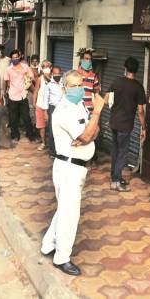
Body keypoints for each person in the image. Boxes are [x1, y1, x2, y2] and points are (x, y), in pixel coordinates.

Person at [40, 70, 105, 276]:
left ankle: (47, 244)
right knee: (70, 214)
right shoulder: (63, 111)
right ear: (64, 88)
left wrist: (88, 134)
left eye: (80, 85)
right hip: (68, 167)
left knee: (64, 209)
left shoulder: (79, 106)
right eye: (73, 86)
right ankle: (62, 258)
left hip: (77, 167)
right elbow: (87, 135)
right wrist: (96, 114)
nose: (78, 89)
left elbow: (94, 132)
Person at [106, 57, 146, 192]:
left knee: (115, 151)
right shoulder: (138, 87)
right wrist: (144, 127)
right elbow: (140, 111)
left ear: (125, 67)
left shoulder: (116, 82)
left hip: (113, 122)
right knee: (122, 153)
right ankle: (116, 182)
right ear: (136, 70)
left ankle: (115, 177)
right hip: (125, 125)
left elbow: (107, 100)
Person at [4, 49, 36, 141]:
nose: (15, 59)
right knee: (13, 118)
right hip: (12, 96)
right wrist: (6, 91)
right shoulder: (8, 69)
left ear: (19, 57)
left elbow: (31, 77)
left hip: (23, 95)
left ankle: (31, 135)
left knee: (26, 117)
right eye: (13, 58)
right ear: (11, 58)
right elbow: (7, 81)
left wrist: (30, 82)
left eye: (16, 57)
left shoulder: (25, 67)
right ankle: (15, 136)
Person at [33, 60, 53, 151]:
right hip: (40, 105)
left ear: (51, 67)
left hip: (50, 106)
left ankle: (52, 144)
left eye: (47, 66)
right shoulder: (39, 79)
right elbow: (36, 91)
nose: (46, 68)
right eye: (44, 66)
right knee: (42, 126)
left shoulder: (54, 78)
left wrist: (48, 77)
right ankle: (43, 142)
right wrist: (34, 102)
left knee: (51, 125)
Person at [46, 66, 63, 155]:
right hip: (52, 108)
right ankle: (52, 150)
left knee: (60, 129)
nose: (57, 75)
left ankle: (59, 150)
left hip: (62, 109)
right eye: (55, 73)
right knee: (52, 129)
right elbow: (46, 99)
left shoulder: (63, 84)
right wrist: (46, 112)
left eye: (58, 73)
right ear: (52, 74)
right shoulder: (49, 85)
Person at [77, 49, 101, 114]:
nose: (88, 61)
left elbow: (97, 89)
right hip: (78, 109)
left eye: (90, 59)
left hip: (90, 110)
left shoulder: (93, 76)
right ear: (81, 60)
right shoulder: (76, 74)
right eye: (86, 59)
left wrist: (96, 95)